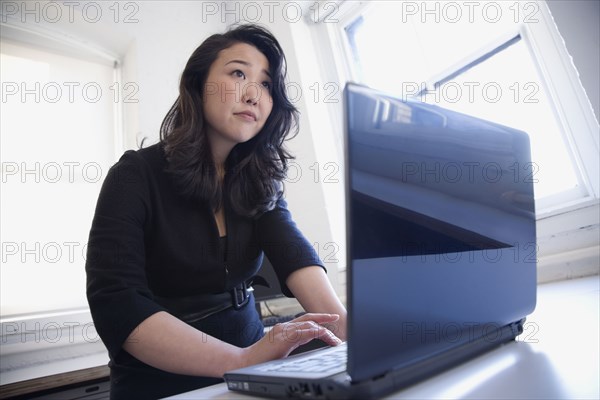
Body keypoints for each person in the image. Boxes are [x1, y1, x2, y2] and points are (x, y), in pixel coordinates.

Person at [85, 24, 347, 399]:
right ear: (198, 84)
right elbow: (116, 302)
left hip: (252, 372)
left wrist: (351, 330)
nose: (254, 94)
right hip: (160, 384)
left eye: (267, 84)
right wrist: (243, 359)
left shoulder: (259, 182)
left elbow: (296, 257)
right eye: (238, 73)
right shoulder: (134, 176)